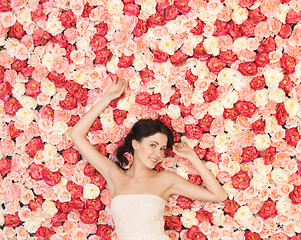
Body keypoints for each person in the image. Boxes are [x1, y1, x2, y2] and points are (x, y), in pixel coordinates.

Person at [69, 78, 228, 239]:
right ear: (135, 144)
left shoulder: (165, 179)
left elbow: (219, 196)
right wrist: (107, 98)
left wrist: (192, 156)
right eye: (153, 145)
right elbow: (76, 135)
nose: (158, 154)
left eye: (162, 149)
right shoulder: (115, 175)